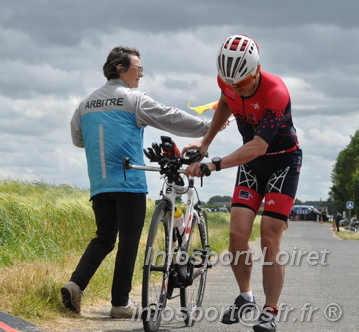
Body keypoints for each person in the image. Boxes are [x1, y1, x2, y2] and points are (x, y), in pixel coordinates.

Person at [63, 46, 210, 318]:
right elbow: (169, 116)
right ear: (121, 68)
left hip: (99, 183)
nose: (141, 76)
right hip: (129, 181)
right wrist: (206, 127)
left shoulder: (84, 103)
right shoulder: (133, 99)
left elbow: (77, 140)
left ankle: (75, 285)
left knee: (104, 238)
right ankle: (120, 303)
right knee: (129, 242)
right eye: (138, 70)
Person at [182, 34, 301, 332]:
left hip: (282, 163)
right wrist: (206, 142)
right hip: (250, 164)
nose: (237, 88)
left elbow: (259, 145)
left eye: (243, 84)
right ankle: (245, 297)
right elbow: (225, 102)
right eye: (230, 83)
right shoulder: (228, 82)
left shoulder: (276, 92)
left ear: (257, 69)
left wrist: (214, 164)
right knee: (237, 234)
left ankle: (270, 310)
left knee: (269, 237)